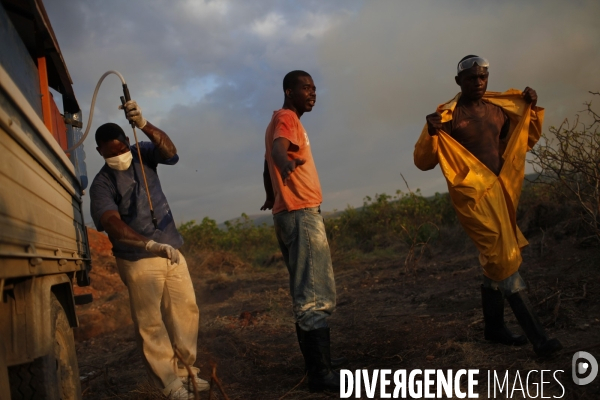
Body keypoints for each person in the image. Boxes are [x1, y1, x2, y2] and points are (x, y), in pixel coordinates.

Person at [414, 55, 562, 357]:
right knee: (503, 256)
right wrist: (431, 133)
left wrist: (529, 109)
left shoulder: (499, 109)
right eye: (471, 79)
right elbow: (423, 162)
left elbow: (523, 141)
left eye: (482, 77)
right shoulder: (446, 117)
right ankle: (540, 340)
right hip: (473, 199)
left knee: (497, 258)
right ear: (459, 82)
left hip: (502, 191)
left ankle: (494, 329)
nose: (478, 83)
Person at [89, 101, 208, 399]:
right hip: (138, 259)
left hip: (171, 250)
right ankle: (168, 384)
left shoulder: (143, 153)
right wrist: (147, 243)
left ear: (129, 142)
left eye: (121, 149)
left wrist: (143, 122)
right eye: (111, 153)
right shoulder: (102, 183)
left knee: (186, 312)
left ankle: (186, 372)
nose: (119, 156)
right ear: (100, 152)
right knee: (150, 323)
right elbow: (111, 223)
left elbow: (171, 152)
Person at [260, 70, 346, 392]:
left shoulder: (277, 121)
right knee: (314, 294)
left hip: (288, 213)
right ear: (288, 90)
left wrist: (271, 193)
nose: (312, 93)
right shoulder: (286, 119)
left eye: (314, 88)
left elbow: (265, 159)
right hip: (301, 213)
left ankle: (318, 364)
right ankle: (320, 375)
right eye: (305, 88)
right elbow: (279, 151)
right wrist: (284, 164)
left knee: (305, 290)